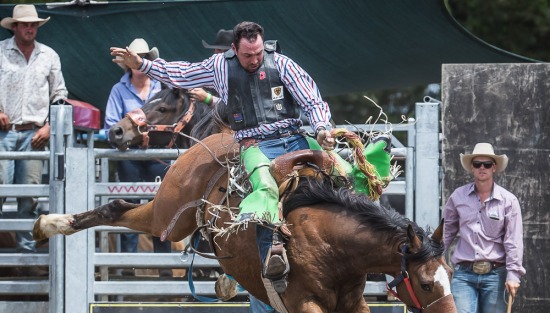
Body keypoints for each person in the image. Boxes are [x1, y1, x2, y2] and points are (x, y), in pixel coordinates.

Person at [110, 22, 391, 293]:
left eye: (258, 53)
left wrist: (321, 128)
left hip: (295, 136)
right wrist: (144, 65)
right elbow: (182, 73)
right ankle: (271, 257)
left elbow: (312, 100)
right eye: (247, 55)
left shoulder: (281, 63)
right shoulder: (220, 66)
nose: (254, 59)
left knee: (343, 172)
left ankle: (380, 238)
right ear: (235, 49)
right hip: (256, 144)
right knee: (265, 186)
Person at [443, 143, 525, 313]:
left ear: (494, 168)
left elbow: (513, 241)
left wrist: (514, 273)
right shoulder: (457, 197)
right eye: (476, 164)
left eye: (486, 164)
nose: (481, 169)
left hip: (496, 274)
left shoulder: (508, 201)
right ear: (471, 168)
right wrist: (433, 262)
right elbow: (445, 234)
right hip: (464, 274)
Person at [0, 5, 68, 254]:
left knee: (29, 197)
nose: (30, 28)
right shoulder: (0, 52)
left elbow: (60, 94)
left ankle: (25, 256)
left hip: (35, 134)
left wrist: (50, 126)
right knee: (0, 189)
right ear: (15, 27)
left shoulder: (49, 55)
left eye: (33, 24)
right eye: (25, 24)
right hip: (4, 132)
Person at [105, 38, 172, 276]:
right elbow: (110, 128)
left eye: (143, 56)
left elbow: (172, 123)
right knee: (128, 208)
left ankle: (164, 267)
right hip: (130, 158)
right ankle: (128, 266)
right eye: (135, 57)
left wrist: (150, 138)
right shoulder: (119, 90)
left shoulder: (162, 88)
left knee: (161, 208)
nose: (138, 60)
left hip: (158, 158)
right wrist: (136, 138)